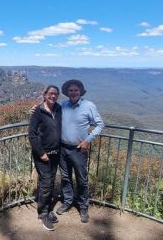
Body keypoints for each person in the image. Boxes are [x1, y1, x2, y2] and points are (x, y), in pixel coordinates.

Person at [55, 79, 104, 223]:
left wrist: (87, 140)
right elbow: (49, 112)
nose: (73, 92)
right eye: (70, 90)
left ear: (81, 91)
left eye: (76, 90)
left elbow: (100, 125)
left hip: (78, 149)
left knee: (81, 179)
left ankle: (83, 206)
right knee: (65, 177)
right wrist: (35, 109)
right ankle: (68, 201)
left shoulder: (89, 106)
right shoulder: (63, 105)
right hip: (63, 148)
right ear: (67, 92)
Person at [28, 85, 62, 231]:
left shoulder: (59, 109)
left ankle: (47, 209)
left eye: (55, 94)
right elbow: (32, 134)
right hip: (43, 154)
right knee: (46, 183)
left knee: (50, 181)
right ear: (45, 94)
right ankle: (43, 214)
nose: (53, 96)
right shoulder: (38, 111)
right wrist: (41, 153)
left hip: (56, 153)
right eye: (50, 94)